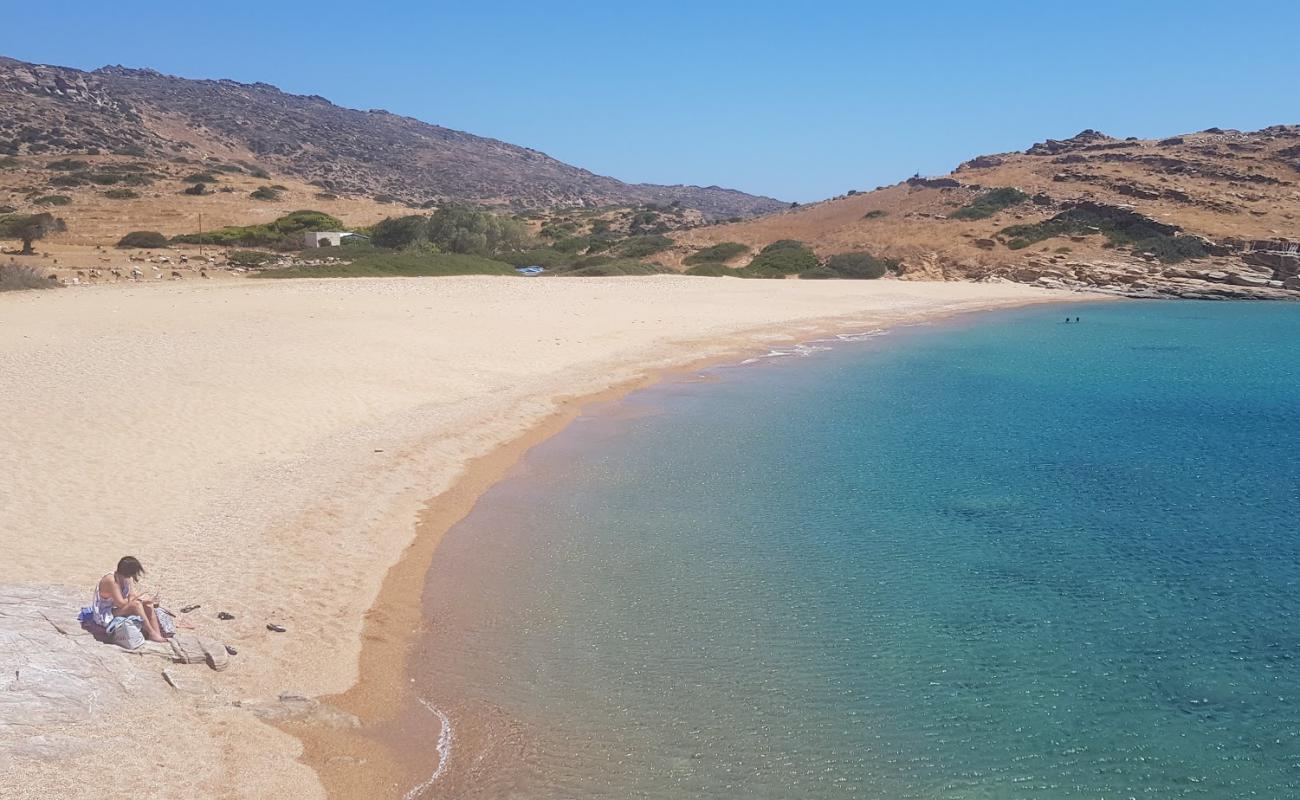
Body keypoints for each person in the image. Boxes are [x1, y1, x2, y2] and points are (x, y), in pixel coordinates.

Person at [95, 556, 166, 643]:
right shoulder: (111, 580)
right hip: (107, 612)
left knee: (148, 605)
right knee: (136, 605)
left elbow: (132, 595)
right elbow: (120, 603)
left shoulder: (127, 578)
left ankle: (157, 634)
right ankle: (151, 633)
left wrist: (145, 600)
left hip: (118, 609)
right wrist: (139, 600)